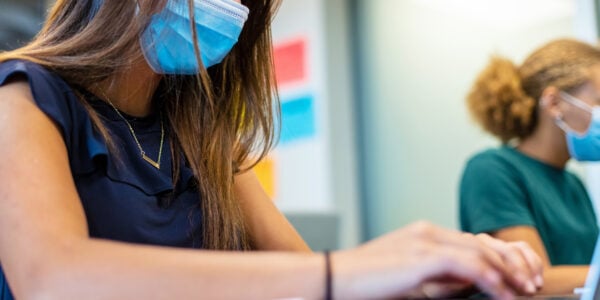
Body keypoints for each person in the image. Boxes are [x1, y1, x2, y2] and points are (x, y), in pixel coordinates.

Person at [0, 0, 543, 299]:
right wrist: (350, 271)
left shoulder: (205, 136)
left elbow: (307, 274)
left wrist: (426, 280)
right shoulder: (23, 94)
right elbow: (53, 280)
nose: (234, 9)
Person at [460, 38, 600, 295]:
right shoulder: (492, 169)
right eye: (599, 100)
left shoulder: (573, 184)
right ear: (554, 103)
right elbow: (532, 281)